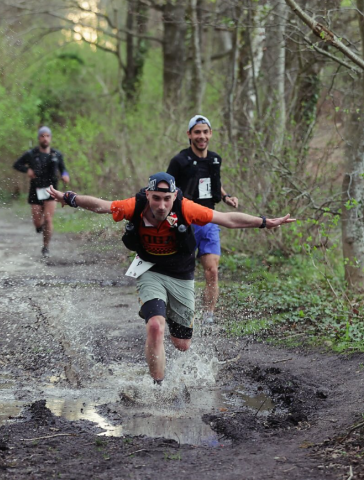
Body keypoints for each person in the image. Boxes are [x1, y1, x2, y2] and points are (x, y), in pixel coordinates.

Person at [47, 172, 294, 384]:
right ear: (148, 195)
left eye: (167, 199)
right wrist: (69, 197)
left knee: (181, 344)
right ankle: (159, 388)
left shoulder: (186, 208)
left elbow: (227, 219)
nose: (162, 205)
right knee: (155, 326)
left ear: (174, 196)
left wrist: (264, 222)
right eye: (156, 198)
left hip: (181, 274)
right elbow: (102, 205)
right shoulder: (135, 205)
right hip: (149, 269)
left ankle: (171, 353)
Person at [167, 115, 238, 325]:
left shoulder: (215, 159)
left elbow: (213, 182)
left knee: (212, 270)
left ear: (211, 134)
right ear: (189, 134)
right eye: (197, 132)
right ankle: (177, 310)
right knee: (181, 270)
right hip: (185, 222)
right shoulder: (179, 161)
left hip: (209, 219)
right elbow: (167, 189)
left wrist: (226, 197)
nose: (202, 136)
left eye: (205, 132)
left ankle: (209, 315)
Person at [13, 126, 70, 257]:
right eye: (42, 136)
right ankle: (40, 227)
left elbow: (63, 169)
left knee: (49, 219)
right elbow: (17, 164)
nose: (45, 138)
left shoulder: (56, 155)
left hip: (51, 190)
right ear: (39, 138)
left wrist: (65, 175)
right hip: (36, 189)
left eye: (47, 136)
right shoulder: (31, 154)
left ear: (50, 138)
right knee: (38, 222)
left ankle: (46, 247)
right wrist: (27, 170)